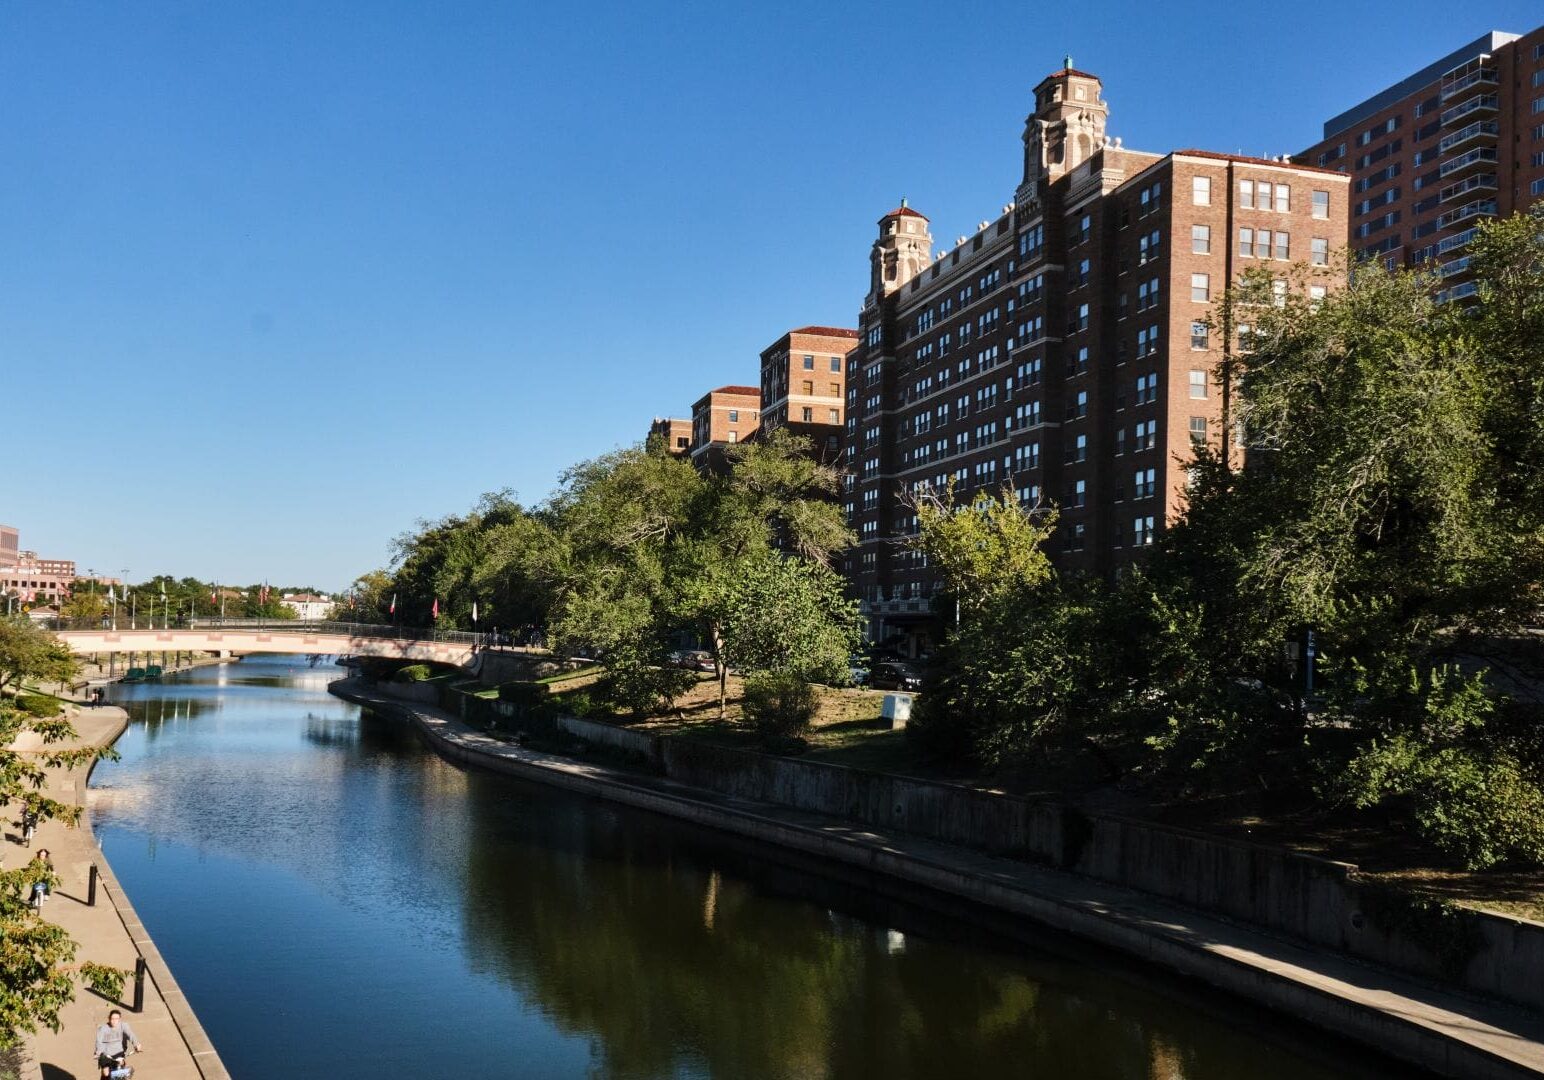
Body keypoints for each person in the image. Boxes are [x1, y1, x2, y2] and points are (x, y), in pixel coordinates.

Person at [95, 1009, 142, 1078]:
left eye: (116, 1019)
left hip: (119, 1053)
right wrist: (98, 1052)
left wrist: (136, 1043)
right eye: (112, 1019)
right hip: (106, 1054)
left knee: (121, 1071)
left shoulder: (123, 1026)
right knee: (106, 1073)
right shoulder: (103, 1029)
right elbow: (99, 1042)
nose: (114, 1021)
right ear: (109, 1018)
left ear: (119, 1019)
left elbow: (130, 1034)